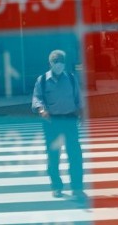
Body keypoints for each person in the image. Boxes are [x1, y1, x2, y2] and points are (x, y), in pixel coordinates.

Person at [31, 50, 85, 200]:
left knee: (75, 155)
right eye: (56, 63)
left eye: (61, 63)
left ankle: (77, 187)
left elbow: (78, 97)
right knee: (53, 155)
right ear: (50, 64)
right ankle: (56, 186)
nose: (59, 66)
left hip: (69, 120)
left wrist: (81, 112)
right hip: (52, 121)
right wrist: (41, 110)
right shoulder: (42, 80)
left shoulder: (71, 79)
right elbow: (37, 98)